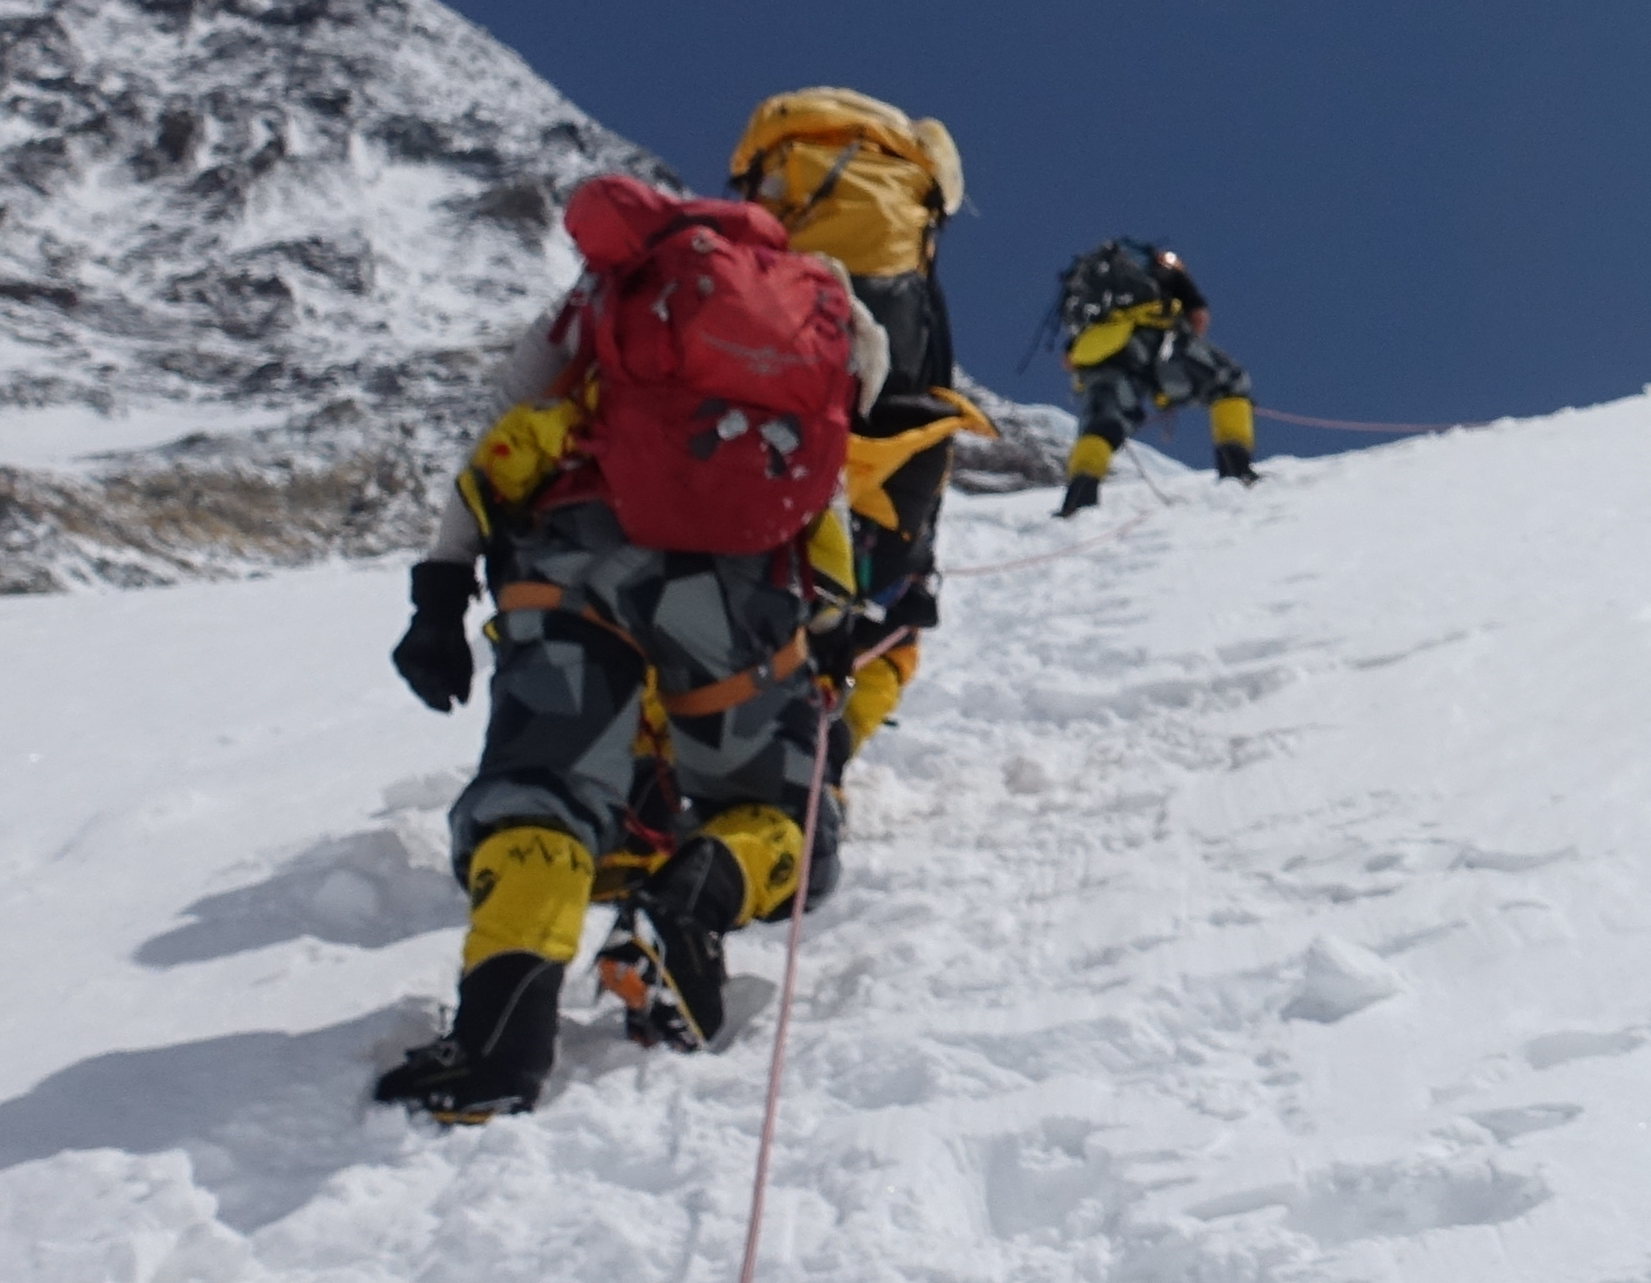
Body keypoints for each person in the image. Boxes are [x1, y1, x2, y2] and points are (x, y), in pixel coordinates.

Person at [374, 175, 880, 1124]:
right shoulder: (828, 312)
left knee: (548, 791)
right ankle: (692, 902)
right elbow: (821, 484)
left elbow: (512, 426)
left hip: (574, 565)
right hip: (743, 586)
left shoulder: (612, 295)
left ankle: (498, 1042)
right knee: (775, 810)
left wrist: (440, 593)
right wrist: (833, 624)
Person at [726, 87, 997, 903]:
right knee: (888, 631)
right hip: (879, 453)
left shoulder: (779, 161)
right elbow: (927, 389)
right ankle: (820, 771)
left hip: (755, 434)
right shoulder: (913, 202)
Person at [1048, 235, 1260, 514]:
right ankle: (1236, 471)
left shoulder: (1088, 292)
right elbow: (1197, 317)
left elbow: (1069, 356)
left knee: (1101, 425)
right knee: (1228, 383)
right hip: (1155, 338)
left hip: (1100, 350)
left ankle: (1077, 502)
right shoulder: (1164, 269)